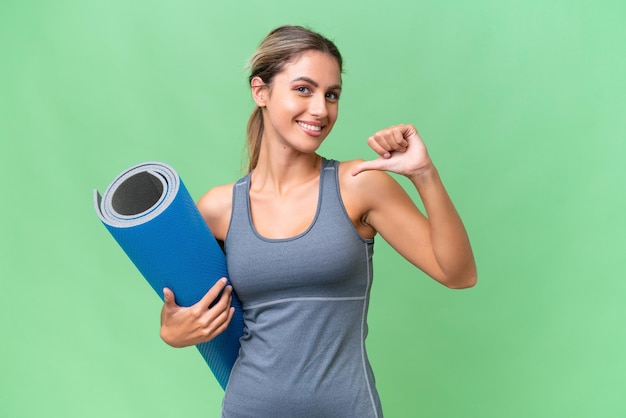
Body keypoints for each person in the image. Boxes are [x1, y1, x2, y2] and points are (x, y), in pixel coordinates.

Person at [159, 25, 477, 417]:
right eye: (303, 90)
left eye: (332, 95)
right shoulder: (218, 207)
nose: (320, 110)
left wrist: (423, 173)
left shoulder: (360, 185)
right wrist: (173, 332)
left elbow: (458, 273)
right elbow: (187, 310)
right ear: (261, 91)